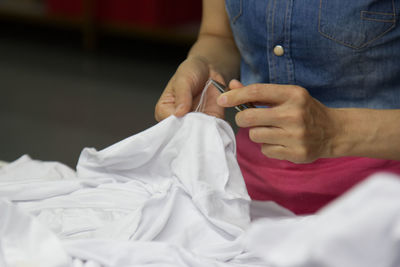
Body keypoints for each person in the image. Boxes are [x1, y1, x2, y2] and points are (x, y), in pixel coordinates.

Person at [155, 0, 400, 214]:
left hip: (379, 204)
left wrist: (336, 131)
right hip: (247, 191)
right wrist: (204, 65)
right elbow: (218, 36)